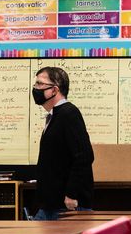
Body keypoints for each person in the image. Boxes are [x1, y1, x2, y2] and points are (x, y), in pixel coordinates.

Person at [30, 66, 93, 219]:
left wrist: (71, 194)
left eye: (40, 84)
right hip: (51, 205)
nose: (35, 88)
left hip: (66, 207)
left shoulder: (69, 113)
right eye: (35, 84)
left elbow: (84, 156)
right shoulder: (55, 115)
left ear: (55, 90)